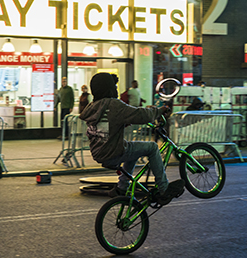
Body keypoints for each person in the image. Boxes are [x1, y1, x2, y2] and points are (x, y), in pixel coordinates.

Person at [79, 72, 184, 203]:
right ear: (109, 88)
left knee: (132, 149)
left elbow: (104, 127)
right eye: (114, 86)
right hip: (113, 152)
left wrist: (122, 122)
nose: (117, 89)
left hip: (100, 153)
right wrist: (158, 111)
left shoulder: (94, 107)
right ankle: (164, 188)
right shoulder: (113, 104)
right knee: (152, 147)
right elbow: (140, 115)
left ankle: (122, 187)